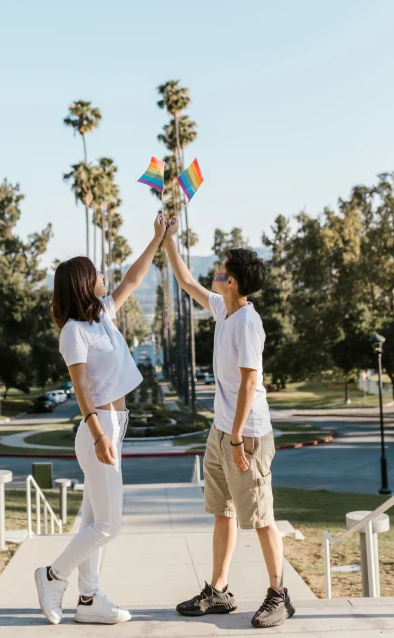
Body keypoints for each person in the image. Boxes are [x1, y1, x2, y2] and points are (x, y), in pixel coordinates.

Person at [35, 214, 167, 626]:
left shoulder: (101, 317)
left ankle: (89, 600)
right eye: (95, 273)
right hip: (99, 432)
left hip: (113, 429)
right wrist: (98, 435)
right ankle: (52, 574)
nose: (104, 276)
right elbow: (81, 389)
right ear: (81, 283)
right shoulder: (74, 331)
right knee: (110, 525)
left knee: (94, 522)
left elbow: (132, 278)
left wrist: (157, 238)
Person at [163, 217, 295, 629]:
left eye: (221, 271)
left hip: (248, 435)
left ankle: (279, 595)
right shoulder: (223, 309)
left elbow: (250, 382)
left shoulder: (248, 324)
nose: (214, 275)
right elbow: (186, 282)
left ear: (233, 282)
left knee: (260, 517)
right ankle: (219, 591)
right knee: (222, 512)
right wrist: (167, 239)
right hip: (222, 432)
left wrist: (237, 437)